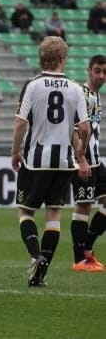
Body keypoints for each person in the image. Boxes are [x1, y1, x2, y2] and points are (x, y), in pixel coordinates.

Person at [11, 36, 91, 287]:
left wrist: (15, 151)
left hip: (36, 160)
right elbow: (85, 127)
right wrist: (81, 155)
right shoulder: (76, 88)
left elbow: (21, 122)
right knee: (54, 215)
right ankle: (41, 274)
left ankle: (36, 256)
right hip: (64, 161)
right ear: (61, 59)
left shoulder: (33, 85)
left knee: (25, 211)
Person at [70, 54, 106, 272]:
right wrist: (81, 159)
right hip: (83, 161)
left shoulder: (96, 96)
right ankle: (79, 260)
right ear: (88, 70)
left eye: (104, 72)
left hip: (95, 160)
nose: (101, 76)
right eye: (97, 71)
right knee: (83, 206)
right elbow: (74, 130)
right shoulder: (83, 95)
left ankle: (87, 249)